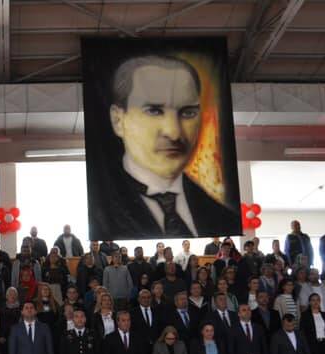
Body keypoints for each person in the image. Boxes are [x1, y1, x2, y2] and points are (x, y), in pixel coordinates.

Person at [91, 56, 237, 239]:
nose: (174, 132)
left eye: (188, 112)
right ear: (118, 120)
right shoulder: (99, 213)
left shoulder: (223, 217)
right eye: (154, 111)